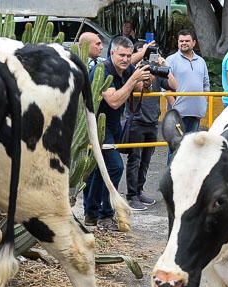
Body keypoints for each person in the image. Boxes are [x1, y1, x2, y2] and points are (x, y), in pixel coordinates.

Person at [83, 36, 151, 230]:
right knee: (114, 167)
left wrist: (146, 80)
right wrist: (133, 80)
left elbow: (137, 86)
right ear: (111, 53)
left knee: (99, 170)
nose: (125, 59)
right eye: (121, 55)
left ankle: (91, 213)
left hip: (112, 126)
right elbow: (114, 101)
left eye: (129, 56)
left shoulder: (127, 69)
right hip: (96, 125)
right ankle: (105, 214)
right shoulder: (102, 70)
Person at [124, 51, 177, 211]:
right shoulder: (133, 75)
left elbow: (174, 86)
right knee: (135, 160)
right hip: (137, 121)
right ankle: (131, 195)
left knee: (146, 160)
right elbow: (141, 88)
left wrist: (164, 67)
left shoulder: (156, 73)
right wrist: (141, 73)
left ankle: (139, 191)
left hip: (153, 122)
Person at [165, 29, 210, 133]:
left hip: (196, 112)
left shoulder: (201, 61)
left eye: (187, 41)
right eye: (181, 41)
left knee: (190, 147)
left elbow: (206, 84)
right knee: (176, 147)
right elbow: (165, 87)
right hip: (178, 114)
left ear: (194, 43)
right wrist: (174, 106)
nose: (184, 43)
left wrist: (204, 102)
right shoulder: (170, 60)